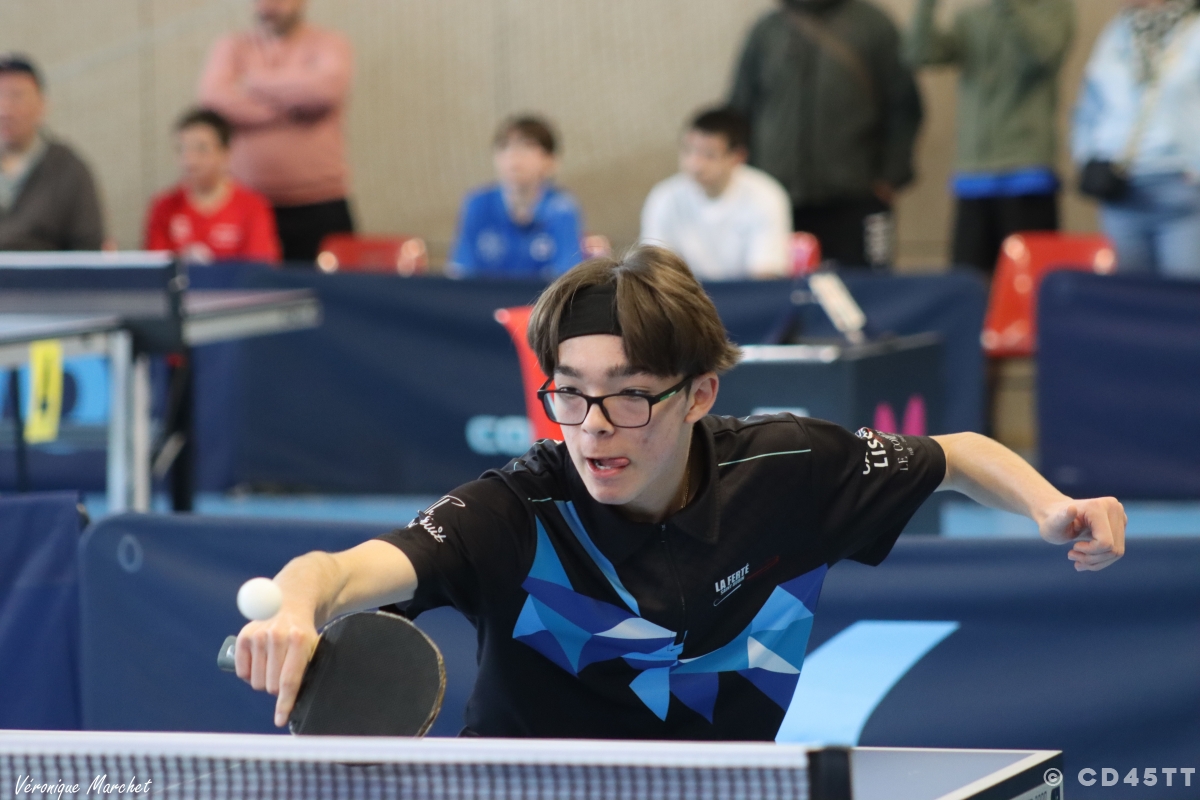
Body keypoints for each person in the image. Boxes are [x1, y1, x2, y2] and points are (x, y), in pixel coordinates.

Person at [233, 245, 1125, 739]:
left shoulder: (787, 470)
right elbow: (344, 571)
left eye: (628, 395)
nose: (592, 426)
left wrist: (1052, 506)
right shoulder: (515, 512)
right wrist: (298, 609)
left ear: (699, 394)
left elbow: (957, 452)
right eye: (569, 393)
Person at [728, 0, 923, 269]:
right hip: (777, 198)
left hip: (856, 193)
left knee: (867, 286)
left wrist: (891, 176)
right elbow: (739, 110)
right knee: (782, 289)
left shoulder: (872, 25)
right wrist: (746, 180)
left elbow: (904, 106)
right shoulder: (768, 29)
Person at [909, 0, 1075, 274]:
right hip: (974, 175)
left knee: (1029, 279)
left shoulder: (1052, 9)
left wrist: (1010, 7)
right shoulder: (972, 18)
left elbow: (1043, 55)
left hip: (1026, 174)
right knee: (968, 283)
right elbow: (919, 53)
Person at [197, 0, 353, 264]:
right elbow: (213, 99)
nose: (268, 5)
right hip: (247, 207)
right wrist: (291, 108)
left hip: (320, 204)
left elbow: (324, 92)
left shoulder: (329, 43)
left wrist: (252, 82)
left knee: (328, 288)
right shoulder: (232, 46)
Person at [1072, 0, 1200, 278]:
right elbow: (1089, 105)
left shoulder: (1194, 30)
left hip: (1182, 188)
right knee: (1130, 297)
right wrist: (1088, 158)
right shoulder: (1116, 33)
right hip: (1121, 188)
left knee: (1184, 298)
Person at [640, 107, 792, 281]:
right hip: (685, 295)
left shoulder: (766, 195)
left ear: (738, 157)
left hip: (747, 294)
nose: (695, 165)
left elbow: (766, 273)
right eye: (688, 151)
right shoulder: (664, 197)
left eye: (709, 155)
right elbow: (656, 269)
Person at [448, 116, 583, 279]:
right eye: (504, 146)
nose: (513, 155)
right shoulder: (477, 204)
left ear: (550, 161)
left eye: (527, 146)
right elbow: (460, 272)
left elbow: (567, 277)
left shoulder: (562, 208)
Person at [143, 108, 281, 264]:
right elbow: (155, 268)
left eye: (202, 149)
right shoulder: (163, 206)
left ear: (225, 153)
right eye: (181, 149)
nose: (189, 160)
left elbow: (259, 269)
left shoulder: (253, 207)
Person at [0, 54, 104, 251]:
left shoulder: (69, 169)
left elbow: (89, 247)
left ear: (42, 105)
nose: (5, 109)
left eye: (16, 96)